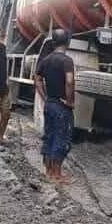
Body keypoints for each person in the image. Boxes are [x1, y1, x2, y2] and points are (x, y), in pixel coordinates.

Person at [35, 29, 75, 183]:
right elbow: (69, 81)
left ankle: (48, 172)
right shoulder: (67, 61)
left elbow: (37, 79)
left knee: (49, 136)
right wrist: (69, 101)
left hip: (49, 103)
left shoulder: (46, 60)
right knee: (61, 138)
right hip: (61, 106)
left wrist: (44, 97)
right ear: (67, 42)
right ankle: (57, 175)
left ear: (53, 42)